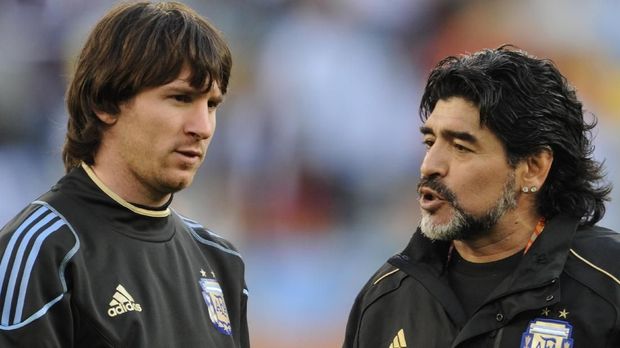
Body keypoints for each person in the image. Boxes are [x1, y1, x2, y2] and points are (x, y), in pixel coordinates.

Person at [0, 2, 249, 347]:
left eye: (211, 105)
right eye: (180, 98)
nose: (203, 127)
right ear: (106, 103)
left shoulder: (221, 261)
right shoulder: (42, 250)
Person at [343, 45, 620, 347]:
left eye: (461, 147)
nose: (429, 166)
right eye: (430, 142)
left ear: (533, 168)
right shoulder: (386, 298)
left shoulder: (609, 282)